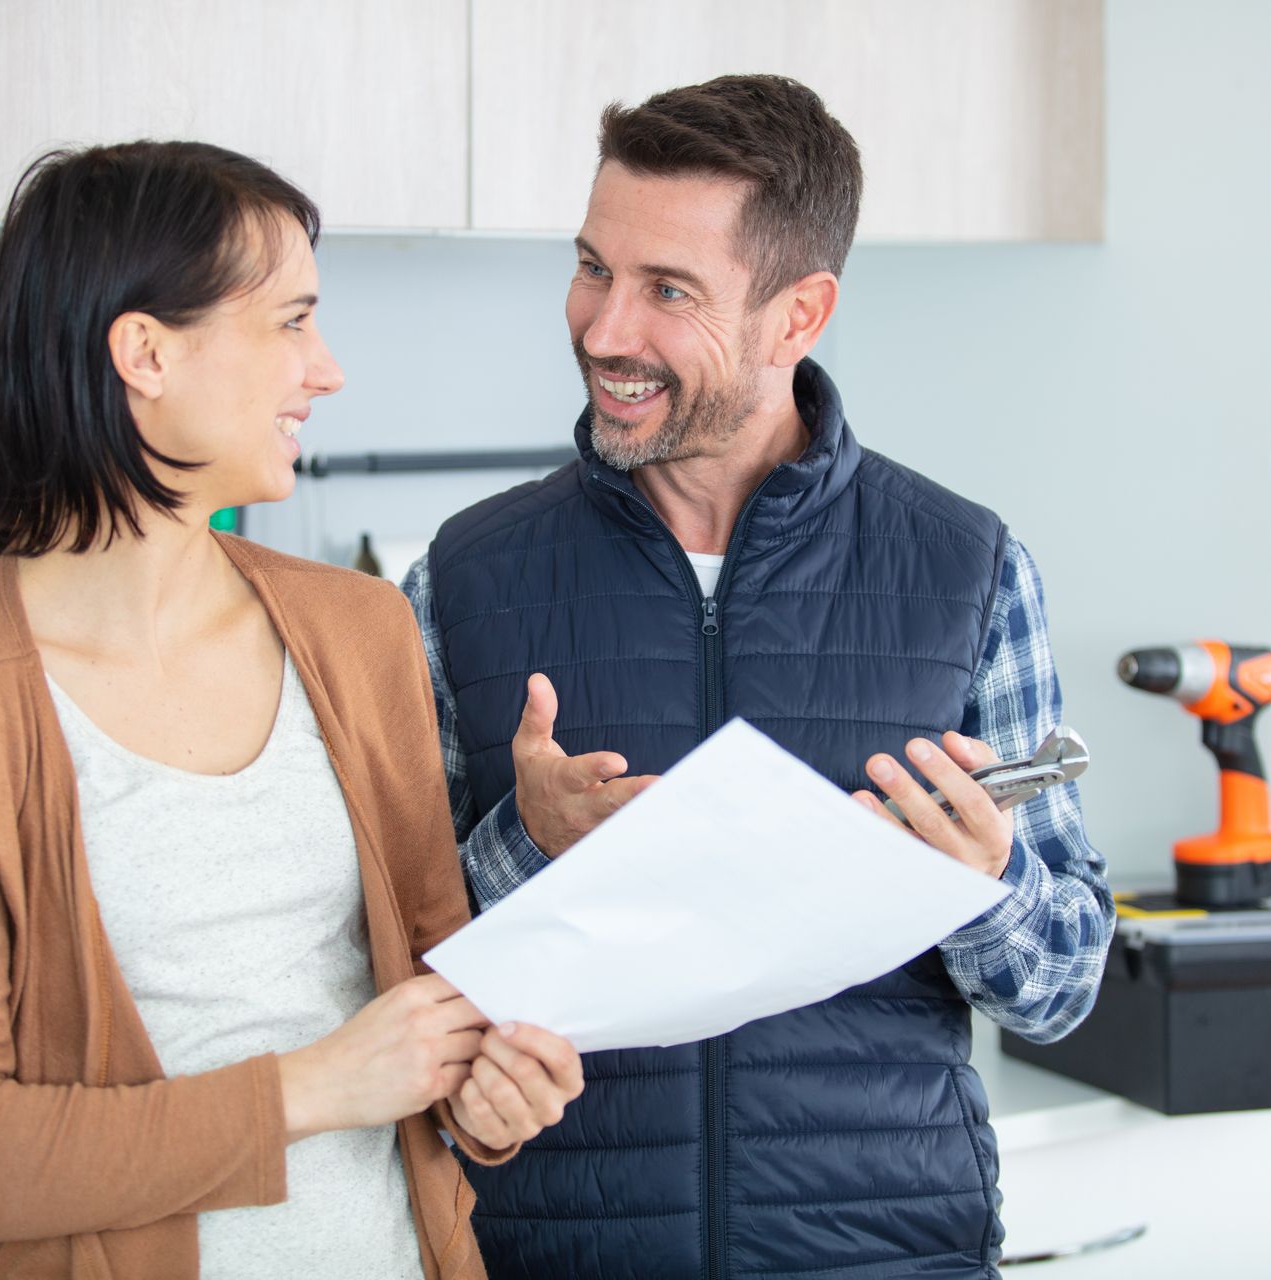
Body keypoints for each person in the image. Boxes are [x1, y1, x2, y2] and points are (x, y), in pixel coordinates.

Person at [402, 77, 1112, 1278]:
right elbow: (387, 973)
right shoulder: (464, 576)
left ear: (800, 314)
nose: (603, 329)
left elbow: (1065, 985)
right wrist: (526, 844)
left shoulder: (969, 567)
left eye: (668, 291)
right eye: (593, 267)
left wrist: (981, 880)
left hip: (889, 1252)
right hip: (555, 1254)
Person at [0, 141, 581, 1280]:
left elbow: (434, 1013)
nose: (324, 370)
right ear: (144, 351)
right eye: (290, 321)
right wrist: (310, 1088)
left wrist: (491, 1095)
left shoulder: (362, 631)